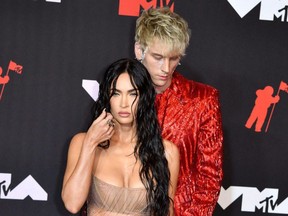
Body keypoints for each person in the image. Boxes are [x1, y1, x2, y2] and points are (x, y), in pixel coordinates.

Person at [134, 7, 223, 215]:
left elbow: (210, 174)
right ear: (140, 50)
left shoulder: (203, 100)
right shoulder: (121, 94)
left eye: (174, 58)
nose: (166, 67)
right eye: (158, 57)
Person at [61, 58, 180, 216]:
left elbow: (167, 212)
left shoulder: (167, 152)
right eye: (116, 93)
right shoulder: (83, 142)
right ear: (107, 97)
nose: (124, 103)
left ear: (144, 98)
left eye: (132, 94)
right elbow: (72, 204)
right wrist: (90, 143)